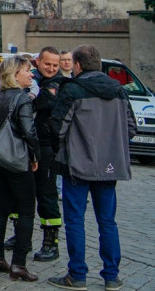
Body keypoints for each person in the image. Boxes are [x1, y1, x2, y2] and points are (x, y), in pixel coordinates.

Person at [46, 45, 136, 291]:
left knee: (75, 221)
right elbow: (131, 128)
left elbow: (58, 127)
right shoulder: (118, 91)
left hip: (77, 165)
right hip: (109, 166)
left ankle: (77, 275)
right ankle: (111, 277)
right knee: (108, 222)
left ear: (77, 65)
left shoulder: (73, 89)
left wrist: (66, 149)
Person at [0, 54, 40, 282]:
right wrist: (35, 154)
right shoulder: (22, 99)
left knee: (2, 206)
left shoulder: (0, 97)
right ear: (16, 75)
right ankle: (19, 264)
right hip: (17, 159)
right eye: (27, 70)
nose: (31, 74)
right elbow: (28, 130)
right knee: (26, 210)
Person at [29, 46, 66, 263]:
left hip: (47, 148)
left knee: (46, 195)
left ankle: (51, 243)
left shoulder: (58, 84)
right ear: (38, 62)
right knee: (23, 194)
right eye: (47, 64)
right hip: (28, 145)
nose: (51, 68)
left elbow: (46, 103)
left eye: (55, 65)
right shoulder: (33, 78)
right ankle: (19, 234)